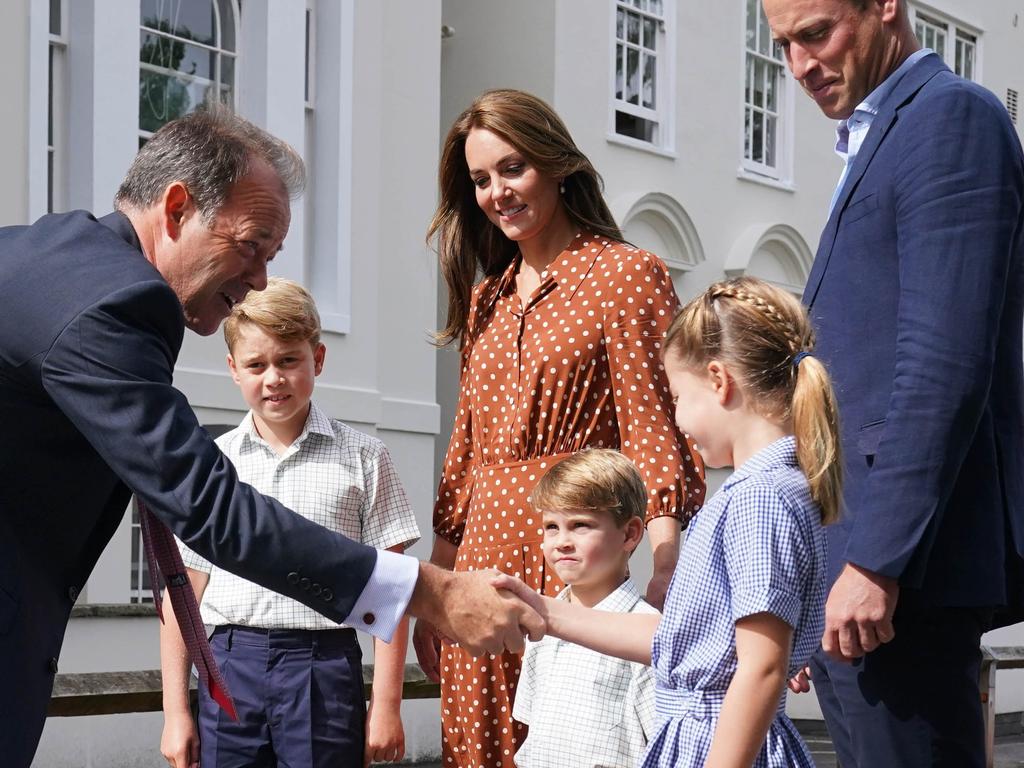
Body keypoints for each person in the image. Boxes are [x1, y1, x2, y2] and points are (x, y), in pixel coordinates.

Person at [0, 106, 542, 768]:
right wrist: (437, 592)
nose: (258, 279)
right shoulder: (115, 304)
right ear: (175, 210)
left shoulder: (46, 256)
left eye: (271, 257)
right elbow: (212, 510)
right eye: (251, 245)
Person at [762, 0, 1024, 764]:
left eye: (816, 34)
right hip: (854, 566)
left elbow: (943, 365)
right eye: (783, 45)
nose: (801, 66)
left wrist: (876, 561)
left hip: (903, 574)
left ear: (886, 7)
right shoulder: (878, 137)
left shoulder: (952, 120)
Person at [414, 88, 706, 768]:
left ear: (557, 165)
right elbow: (463, 460)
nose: (497, 193)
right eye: (481, 180)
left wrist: (666, 562)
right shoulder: (486, 298)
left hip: (572, 558)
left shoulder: (625, 274)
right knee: (480, 750)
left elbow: (653, 426)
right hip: (481, 564)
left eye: (512, 168)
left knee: (581, 747)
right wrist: (438, 590)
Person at [498, 276, 840, 767]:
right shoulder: (762, 492)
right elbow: (680, 645)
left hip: (717, 744)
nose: (676, 419)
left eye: (677, 397)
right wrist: (546, 614)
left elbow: (761, 668)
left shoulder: (759, 499)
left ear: (719, 382)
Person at [158, 278, 419, 768]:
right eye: (256, 365)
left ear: (317, 360)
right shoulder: (211, 466)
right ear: (234, 370)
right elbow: (183, 592)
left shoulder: (364, 458)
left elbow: (394, 592)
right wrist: (175, 710)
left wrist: (386, 705)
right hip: (229, 665)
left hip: (322, 669)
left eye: (288, 361)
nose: (273, 378)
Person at [512, 449, 658, 768]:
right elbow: (533, 727)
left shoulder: (649, 637)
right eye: (551, 526)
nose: (562, 541)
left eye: (580, 525)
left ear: (630, 533)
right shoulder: (541, 625)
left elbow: (664, 740)